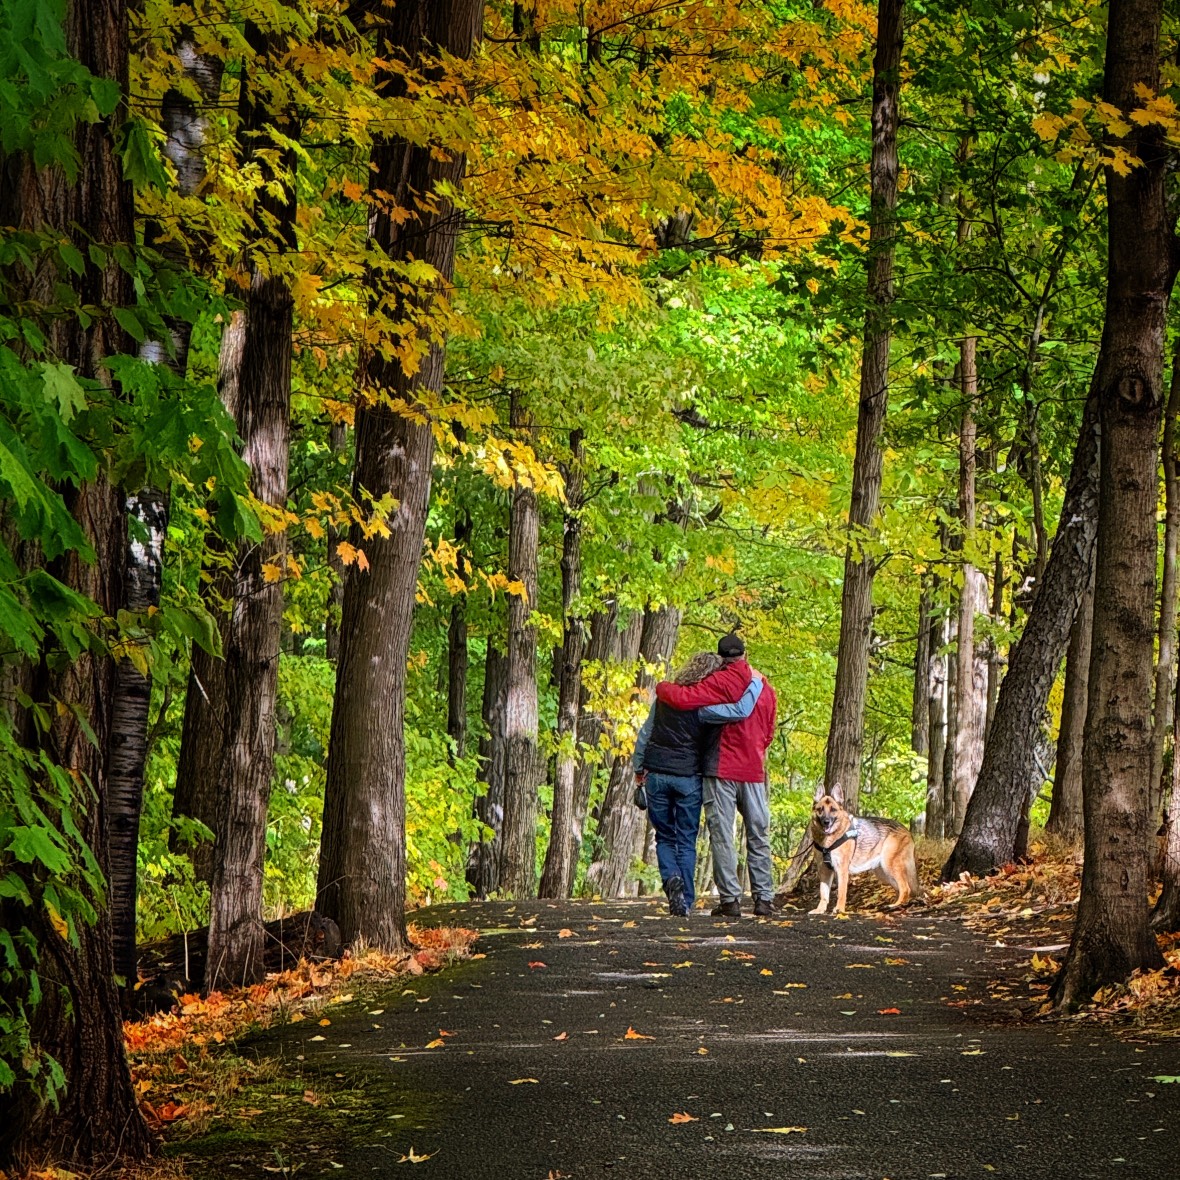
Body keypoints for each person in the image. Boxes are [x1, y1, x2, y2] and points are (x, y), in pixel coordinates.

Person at [655, 632, 778, 918]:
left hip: (720, 768)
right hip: (754, 771)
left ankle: (730, 900)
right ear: (744, 655)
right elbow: (769, 732)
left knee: (722, 834)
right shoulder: (764, 688)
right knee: (758, 834)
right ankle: (764, 899)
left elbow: (684, 700)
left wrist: (661, 687)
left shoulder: (716, 681)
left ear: (721, 658)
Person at [632, 651, 763, 916]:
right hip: (688, 777)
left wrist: (638, 769)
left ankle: (672, 881)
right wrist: (755, 683)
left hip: (656, 773)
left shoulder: (665, 699)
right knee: (686, 839)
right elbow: (739, 711)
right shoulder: (704, 709)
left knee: (665, 836)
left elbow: (645, 734)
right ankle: (687, 901)